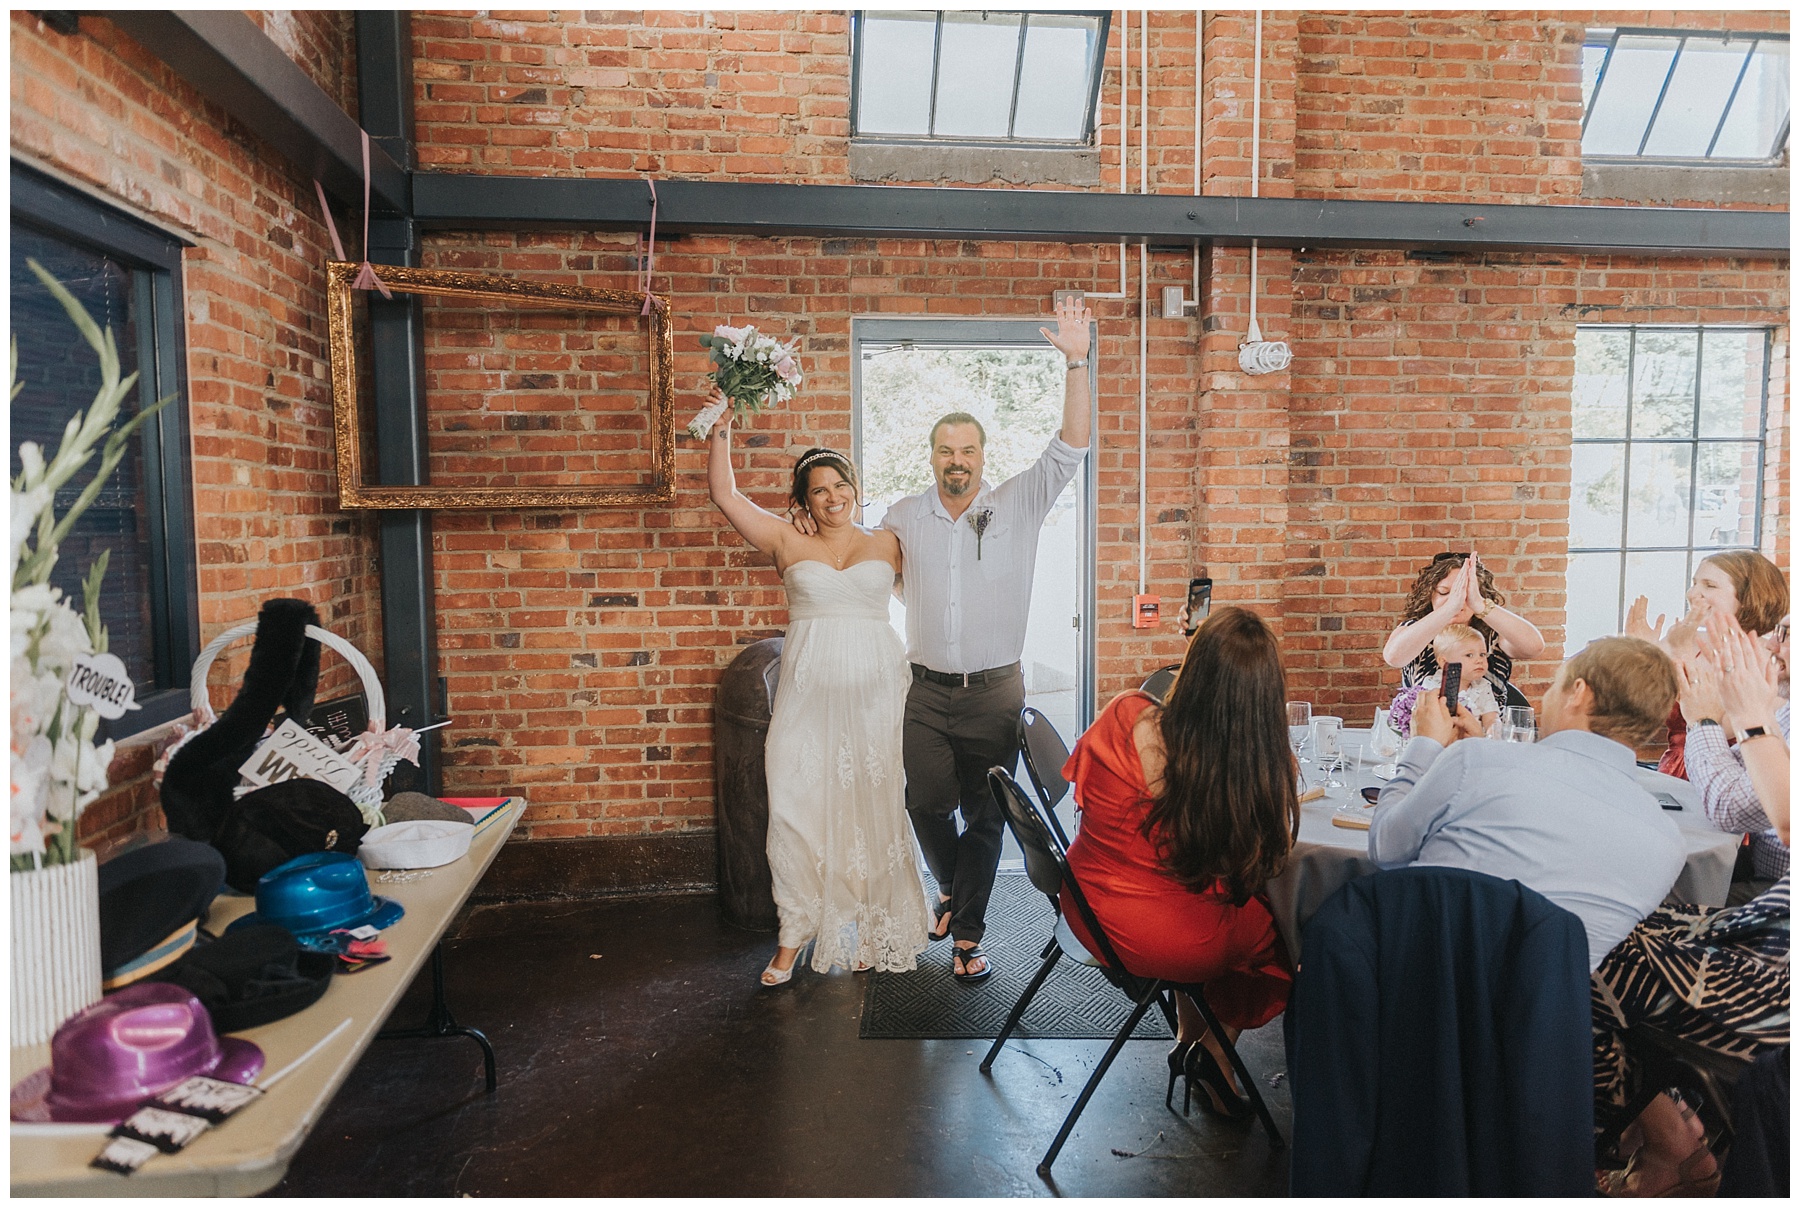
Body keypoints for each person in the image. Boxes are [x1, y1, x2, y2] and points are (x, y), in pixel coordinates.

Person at [800, 295, 1093, 982]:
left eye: (967, 450)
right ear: (931, 456)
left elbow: (1072, 445)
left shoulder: (1019, 500)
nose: (956, 460)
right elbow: (868, 565)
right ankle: (950, 890)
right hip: (925, 692)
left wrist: (1077, 361)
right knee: (924, 803)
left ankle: (967, 938)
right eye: (945, 450)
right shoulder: (904, 513)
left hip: (996, 691)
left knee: (986, 818)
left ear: (982, 456)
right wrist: (812, 536)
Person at [706, 410, 929, 985]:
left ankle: (877, 926)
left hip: (879, 698)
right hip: (806, 698)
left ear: (855, 488)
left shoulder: (889, 542)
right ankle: (795, 929)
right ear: (803, 502)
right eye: (819, 491)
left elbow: (936, 600)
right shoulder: (785, 539)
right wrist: (721, 428)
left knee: (876, 805)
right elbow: (726, 495)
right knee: (795, 806)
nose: (833, 497)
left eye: (841, 485)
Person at [1060, 606, 1297, 1119]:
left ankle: (1193, 1044)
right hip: (1174, 942)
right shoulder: (1245, 773)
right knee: (1278, 933)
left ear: (1190, 665)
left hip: (1087, 913)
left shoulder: (1124, 714)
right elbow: (1253, 867)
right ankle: (1212, 1051)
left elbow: (1082, 800)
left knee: (1202, 900)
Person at [1590, 620, 1790, 1198]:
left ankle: (1661, 1134)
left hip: (1779, 960)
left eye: (1786, 635)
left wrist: (1747, 717)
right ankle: (1669, 1134)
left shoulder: (1770, 717)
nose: (1771, 645)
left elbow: (1782, 819)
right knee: (1596, 928)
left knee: (1585, 956)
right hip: (1769, 921)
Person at [1369, 636, 1685, 973]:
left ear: (1578, 693)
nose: (1545, 699)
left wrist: (1423, 745)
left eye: (1554, 685)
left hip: (1409, 981)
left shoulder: (1473, 761)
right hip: (1539, 1017)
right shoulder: (1669, 844)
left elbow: (1387, 848)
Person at [1625, 549, 1788, 778]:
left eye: (1709, 585)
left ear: (1748, 597)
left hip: (1727, 777)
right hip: (1672, 773)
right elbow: (1632, 711)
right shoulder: (1685, 642)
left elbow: (1722, 728)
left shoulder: (1769, 658)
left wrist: (1678, 656)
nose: (1692, 593)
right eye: (1694, 583)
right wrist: (1639, 655)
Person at [1675, 608, 1790, 902]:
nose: (1771, 645)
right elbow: (1745, 766)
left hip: (1779, 895)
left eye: (1786, 635)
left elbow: (1729, 808)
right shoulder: (1790, 704)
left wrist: (1703, 720)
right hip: (1756, 867)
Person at [1382, 550, 1545, 698]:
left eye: (1464, 593)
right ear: (1430, 595)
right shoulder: (1415, 628)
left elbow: (1534, 647)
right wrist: (1449, 608)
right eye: (1444, 592)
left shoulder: (1495, 634)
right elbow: (1394, 657)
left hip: (1485, 729)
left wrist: (1480, 604)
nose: (1457, 600)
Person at [1407, 624, 1501, 734]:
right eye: (1469, 655)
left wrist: (1493, 731)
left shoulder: (1483, 686)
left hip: (1472, 741)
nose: (1479, 660)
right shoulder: (1433, 686)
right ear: (1444, 662)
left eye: (1482, 654)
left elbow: (1491, 718)